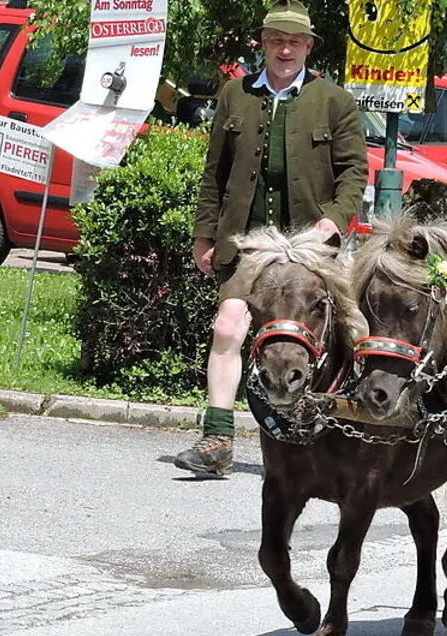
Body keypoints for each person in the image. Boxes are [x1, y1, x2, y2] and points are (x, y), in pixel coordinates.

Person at [174, 0, 368, 476]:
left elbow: (354, 173)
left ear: (308, 47)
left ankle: (328, 428)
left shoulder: (334, 100)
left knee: (347, 329)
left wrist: (333, 221)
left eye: (294, 42)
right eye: (276, 40)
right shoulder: (234, 95)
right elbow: (213, 175)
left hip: (310, 246)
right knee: (228, 327)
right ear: (263, 44)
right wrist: (204, 236)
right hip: (246, 246)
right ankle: (218, 439)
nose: (285, 49)